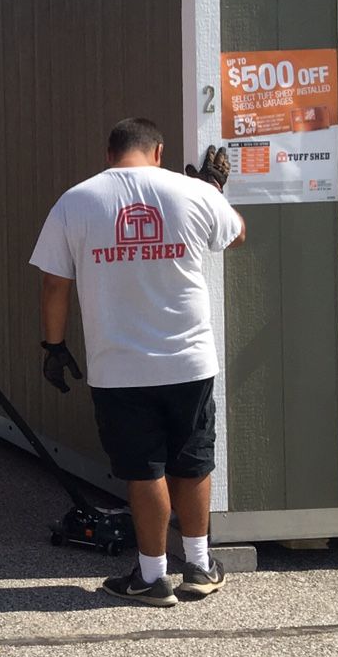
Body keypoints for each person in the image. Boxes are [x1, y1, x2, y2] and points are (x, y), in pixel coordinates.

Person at [30, 117, 245, 607]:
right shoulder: (192, 192)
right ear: (159, 151)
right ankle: (198, 565)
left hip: (118, 366)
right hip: (189, 359)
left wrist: (54, 347)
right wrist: (211, 189)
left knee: (143, 468)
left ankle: (152, 577)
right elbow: (235, 236)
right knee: (192, 459)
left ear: (109, 154)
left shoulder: (77, 201)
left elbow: (53, 284)